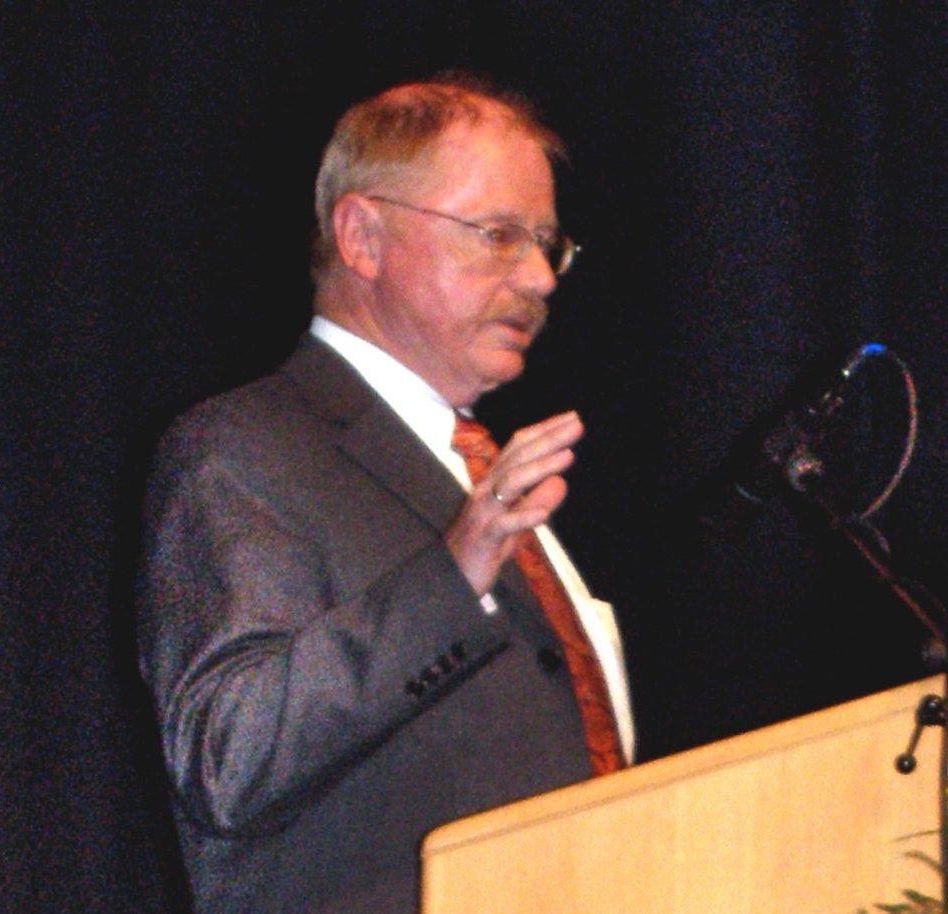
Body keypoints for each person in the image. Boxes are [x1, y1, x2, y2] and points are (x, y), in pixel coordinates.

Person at [138, 72, 633, 913]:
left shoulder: (477, 469)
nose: (542, 277)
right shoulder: (242, 447)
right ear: (362, 237)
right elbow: (231, 757)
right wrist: (453, 572)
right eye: (499, 234)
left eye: (549, 243)